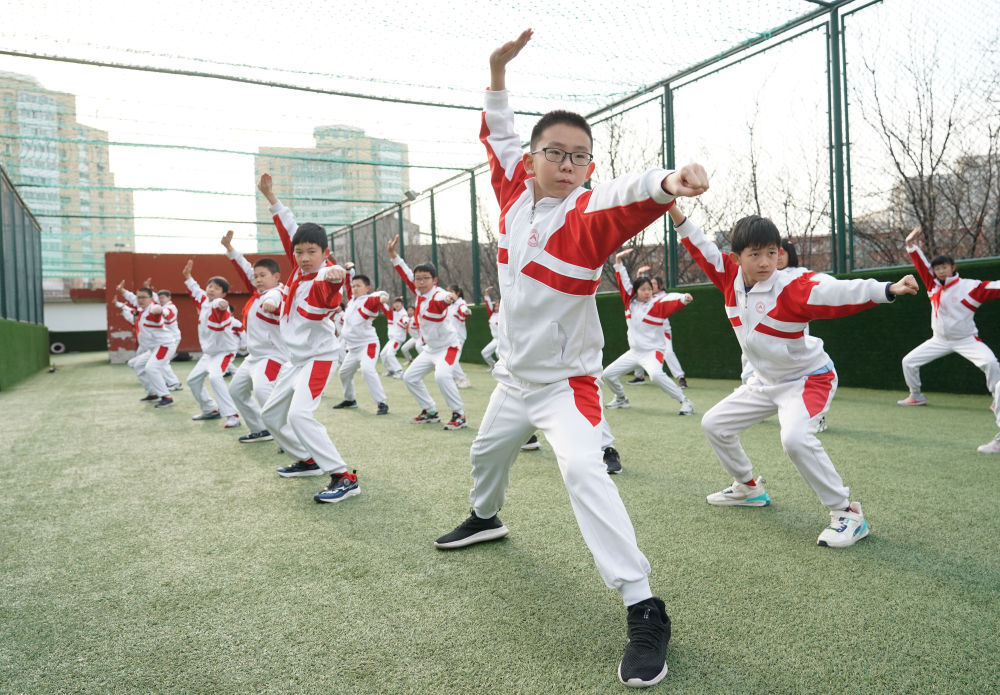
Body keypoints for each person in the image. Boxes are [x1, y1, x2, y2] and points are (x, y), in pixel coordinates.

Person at [433, 30, 710, 689]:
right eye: (554, 152)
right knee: (485, 456)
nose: (567, 163)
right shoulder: (511, 191)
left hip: (565, 384)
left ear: (589, 165)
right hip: (512, 380)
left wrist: (669, 181)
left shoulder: (587, 214)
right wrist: (496, 72)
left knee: (586, 469)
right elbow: (499, 133)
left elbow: (626, 195)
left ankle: (644, 606)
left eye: (579, 156)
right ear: (532, 160)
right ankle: (486, 518)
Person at [673, 201, 917, 549]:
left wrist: (887, 289)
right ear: (737, 257)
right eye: (755, 254)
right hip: (764, 382)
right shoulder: (728, 276)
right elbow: (700, 246)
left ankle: (847, 514)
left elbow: (836, 290)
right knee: (714, 424)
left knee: (795, 439)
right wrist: (674, 209)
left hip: (808, 378)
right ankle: (748, 488)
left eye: (772, 253)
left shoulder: (792, 286)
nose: (765, 262)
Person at [256, 172, 360, 504]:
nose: (303, 257)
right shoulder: (298, 271)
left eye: (311, 252)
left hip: (320, 357)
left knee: (300, 415)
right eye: (299, 252)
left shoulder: (324, 278)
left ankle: (343, 476)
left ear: (324, 252)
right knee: (271, 415)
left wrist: (334, 276)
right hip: (296, 359)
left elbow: (329, 288)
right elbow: (289, 229)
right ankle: (308, 459)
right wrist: (271, 198)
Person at [897, 226, 1000, 407]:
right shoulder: (933, 286)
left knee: (991, 363)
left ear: (953, 268)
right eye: (937, 269)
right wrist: (910, 245)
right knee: (908, 362)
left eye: (944, 267)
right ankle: (916, 396)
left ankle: (997, 400)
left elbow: (994, 287)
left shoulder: (969, 287)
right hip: (939, 340)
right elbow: (921, 266)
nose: (941, 271)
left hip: (966, 340)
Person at [387, 235, 467, 430]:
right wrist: (393, 254)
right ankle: (430, 411)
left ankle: (459, 415)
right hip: (431, 348)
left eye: (426, 278)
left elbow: (442, 299)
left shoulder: (438, 294)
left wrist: (449, 298)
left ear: (435, 280)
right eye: (418, 279)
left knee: (442, 376)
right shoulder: (418, 292)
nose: (421, 281)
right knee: (409, 377)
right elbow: (405, 272)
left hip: (449, 347)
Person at [603, 248, 694, 416]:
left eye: (649, 289)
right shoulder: (629, 303)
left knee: (656, 375)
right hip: (634, 352)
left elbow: (669, 299)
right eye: (643, 289)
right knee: (607, 374)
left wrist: (683, 298)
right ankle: (621, 398)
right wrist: (618, 262)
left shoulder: (657, 304)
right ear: (636, 291)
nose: (647, 292)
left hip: (653, 352)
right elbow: (624, 283)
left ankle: (685, 402)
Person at [221, 230, 288, 443]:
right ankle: (260, 429)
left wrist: (272, 303)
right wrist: (229, 248)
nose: (257, 279)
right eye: (256, 276)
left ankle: (288, 436)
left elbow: (276, 296)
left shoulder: (280, 293)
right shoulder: (258, 293)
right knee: (236, 391)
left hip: (273, 356)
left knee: (263, 391)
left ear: (276, 277)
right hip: (254, 357)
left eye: (262, 275)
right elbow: (244, 268)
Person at [182, 260, 242, 428]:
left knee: (215, 377)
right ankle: (210, 409)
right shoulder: (203, 300)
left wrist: (222, 305)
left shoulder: (219, 305)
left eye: (216, 288)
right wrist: (187, 276)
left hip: (224, 351)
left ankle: (232, 415)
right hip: (209, 353)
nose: (211, 289)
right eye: (210, 286)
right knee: (192, 380)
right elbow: (195, 289)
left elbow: (219, 305)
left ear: (224, 294)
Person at [332, 266, 390, 415]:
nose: (355, 288)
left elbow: (380, 296)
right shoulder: (352, 301)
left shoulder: (368, 300)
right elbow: (347, 285)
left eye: (358, 286)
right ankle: (350, 400)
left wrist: (383, 297)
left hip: (367, 345)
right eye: (353, 286)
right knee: (343, 373)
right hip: (353, 348)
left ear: (367, 288)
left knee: (367, 370)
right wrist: (348, 272)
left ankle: (382, 403)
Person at [627, 271, 688, 389]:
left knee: (668, 353)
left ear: (660, 286)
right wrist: (640, 274)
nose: (651, 286)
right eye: (651, 284)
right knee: (637, 350)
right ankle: (639, 377)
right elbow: (638, 288)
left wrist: (684, 297)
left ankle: (681, 378)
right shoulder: (646, 297)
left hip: (662, 333)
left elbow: (673, 297)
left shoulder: (663, 296)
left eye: (654, 284)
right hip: (647, 333)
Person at [448, 284, 473, 388]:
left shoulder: (460, 303)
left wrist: (466, 311)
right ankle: (454, 379)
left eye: (451, 292)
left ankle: (463, 379)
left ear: (457, 293)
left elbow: (465, 310)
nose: (449, 294)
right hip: (449, 337)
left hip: (458, 337)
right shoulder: (450, 305)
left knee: (452, 360)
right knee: (449, 359)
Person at [380, 295, 409, 379]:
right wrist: (381, 299)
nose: (397, 304)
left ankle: (400, 372)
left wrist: (405, 322)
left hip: (397, 339)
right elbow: (384, 307)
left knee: (390, 354)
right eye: (395, 302)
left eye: (399, 302)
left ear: (402, 304)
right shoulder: (392, 313)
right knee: (383, 354)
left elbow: (405, 318)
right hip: (392, 339)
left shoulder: (403, 313)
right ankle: (391, 371)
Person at [480, 286, 501, 369]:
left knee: (498, 353)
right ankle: (493, 366)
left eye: (498, 306)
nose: (496, 308)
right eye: (495, 306)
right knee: (484, 353)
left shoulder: (503, 315)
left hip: (503, 339)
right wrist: (486, 293)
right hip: (495, 339)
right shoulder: (492, 314)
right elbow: (488, 304)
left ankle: (505, 369)